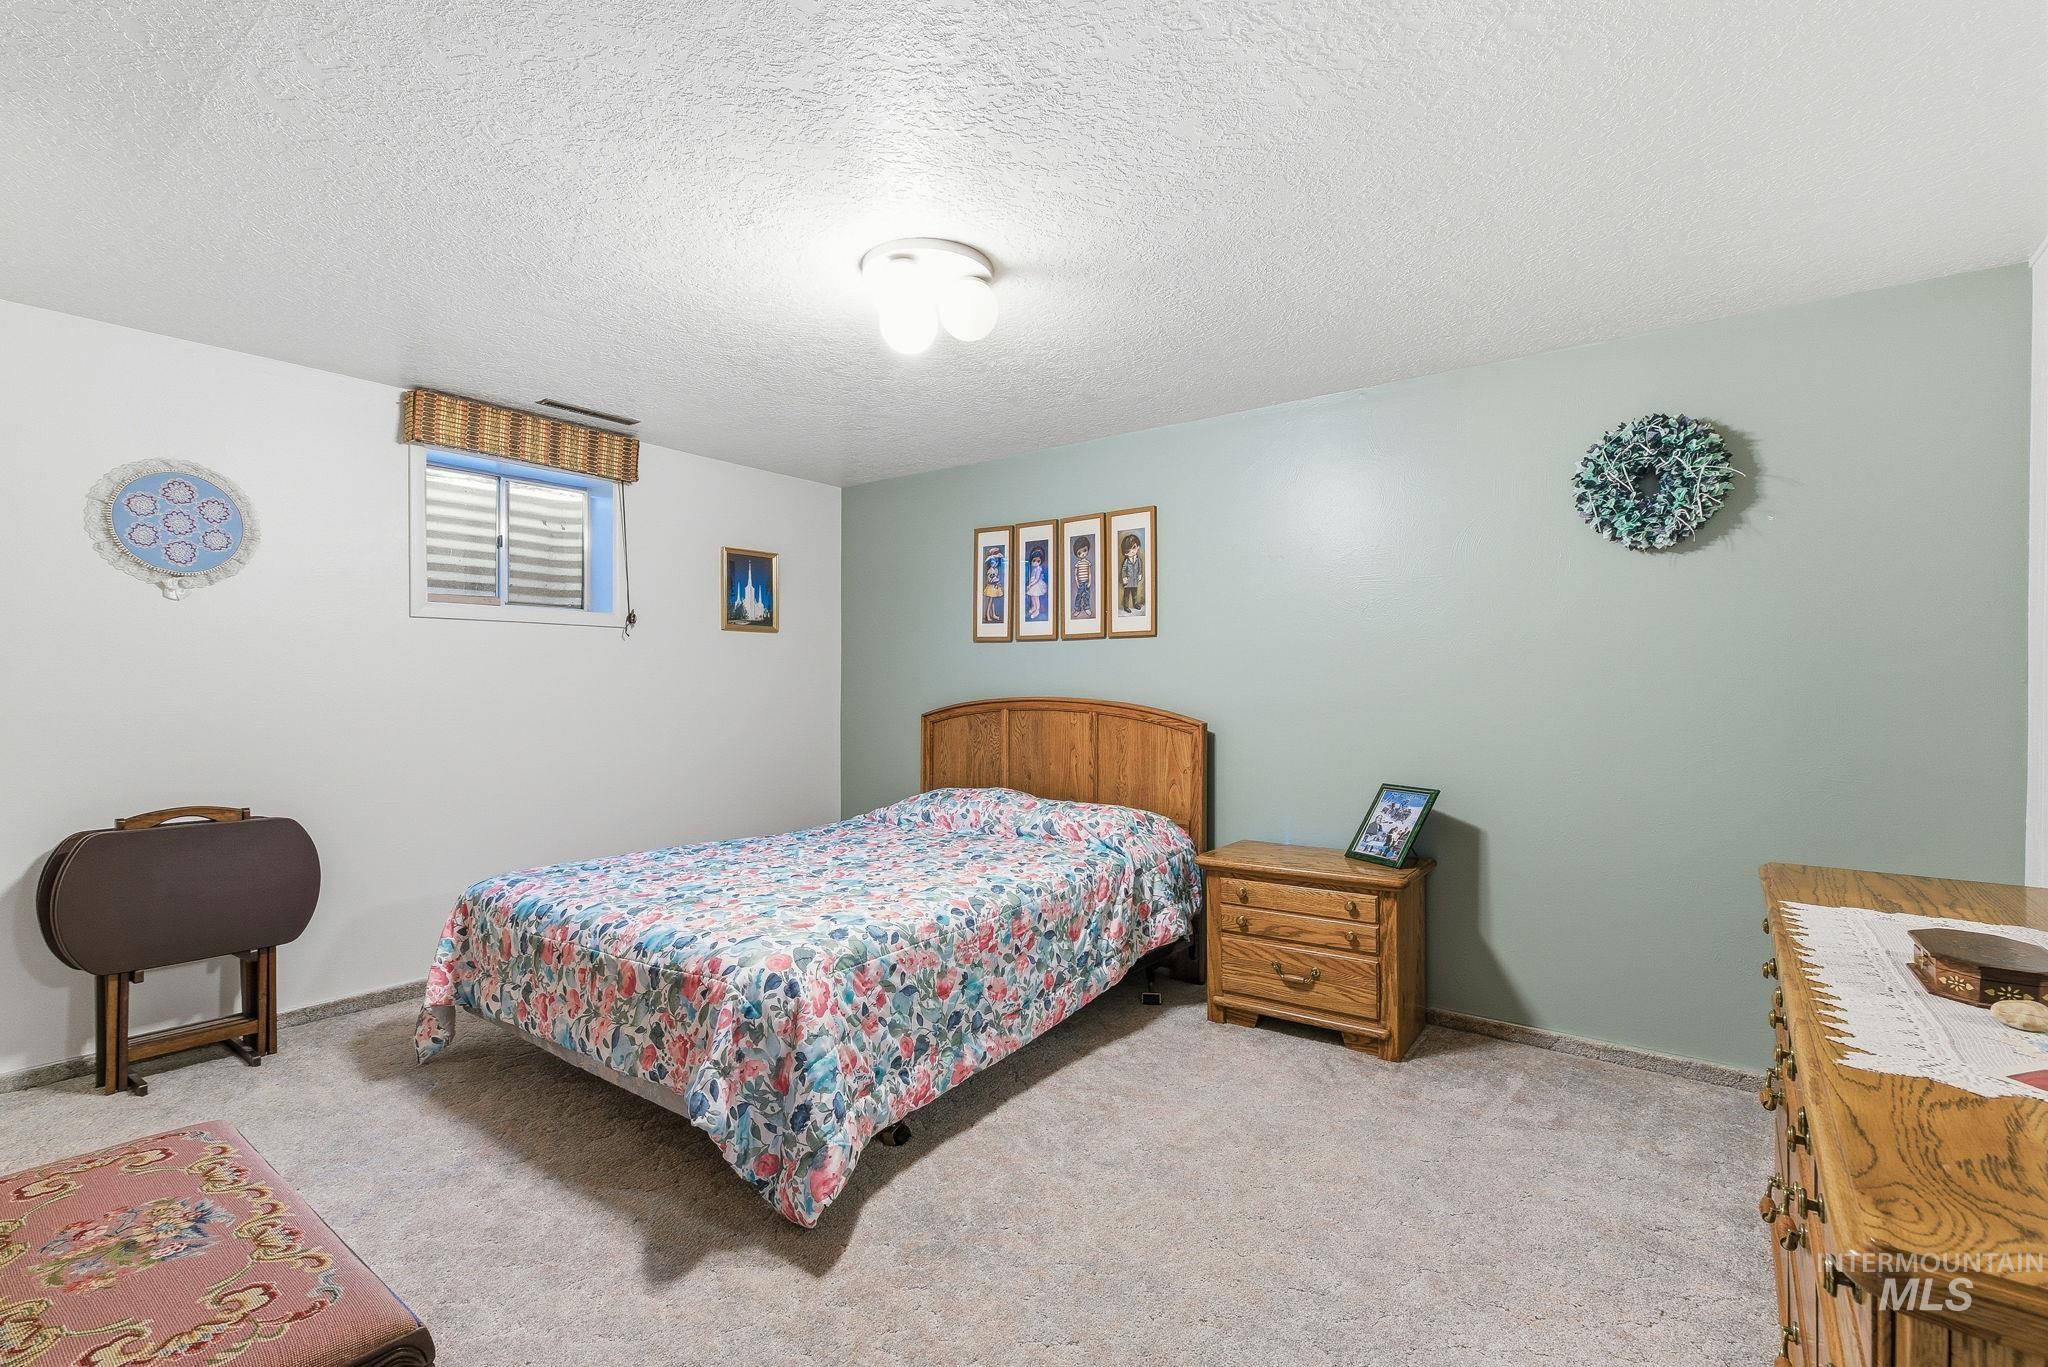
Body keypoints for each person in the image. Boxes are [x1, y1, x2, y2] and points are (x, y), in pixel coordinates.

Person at [1118, 533, 1145, 614]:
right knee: (1126, 594)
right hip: (1128, 580)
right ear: (1125, 552)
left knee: (1135, 593)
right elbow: (1123, 570)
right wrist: (1124, 578)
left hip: (1134, 580)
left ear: (1138, 547)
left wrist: (1140, 574)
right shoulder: (1126, 561)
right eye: (1128, 550)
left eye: (1134, 548)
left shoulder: (1138, 559)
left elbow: (1140, 568)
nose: (1132, 551)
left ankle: (1135, 604)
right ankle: (1126, 606)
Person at [1069, 537, 1094, 617]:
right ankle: (1077, 609)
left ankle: (1087, 608)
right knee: (1079, 596)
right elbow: (1075, 574)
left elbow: (1089, 573)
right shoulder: (1077, 564)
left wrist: (1089, 582)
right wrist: (1077, 583)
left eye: (1085, 550)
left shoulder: (1087, 563)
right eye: (1079, 553)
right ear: (1077, 554)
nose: (1083, 554)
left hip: (1086, 582)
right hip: (1080, 583)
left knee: (1087, 595)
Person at [1024, 545, 1049, 622]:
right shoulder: (1034, 569)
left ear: (1041, 561)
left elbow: (1037, 579)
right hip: (1032, 584)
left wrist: (1030, 585)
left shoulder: (1038, 569)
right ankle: (1034, 607)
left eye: (1038, 561)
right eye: (1034, 561)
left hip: (1036, 585)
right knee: (1032, 597)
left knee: (1036, 597)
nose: (1035, 563)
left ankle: (1037, 610)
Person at [981, 546, 1006, 623]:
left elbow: (996, 577)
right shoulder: (990, 570)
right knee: (990, 601)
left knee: (993, 601)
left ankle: (993, 614)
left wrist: (997, 581)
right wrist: (996, 580)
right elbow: (990, 579)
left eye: (995, 562)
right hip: (991, 586)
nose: (993, 564)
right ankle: (988, 614)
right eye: (991, 562)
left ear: (997, 562)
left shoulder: (996, 570)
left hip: (995, 586)